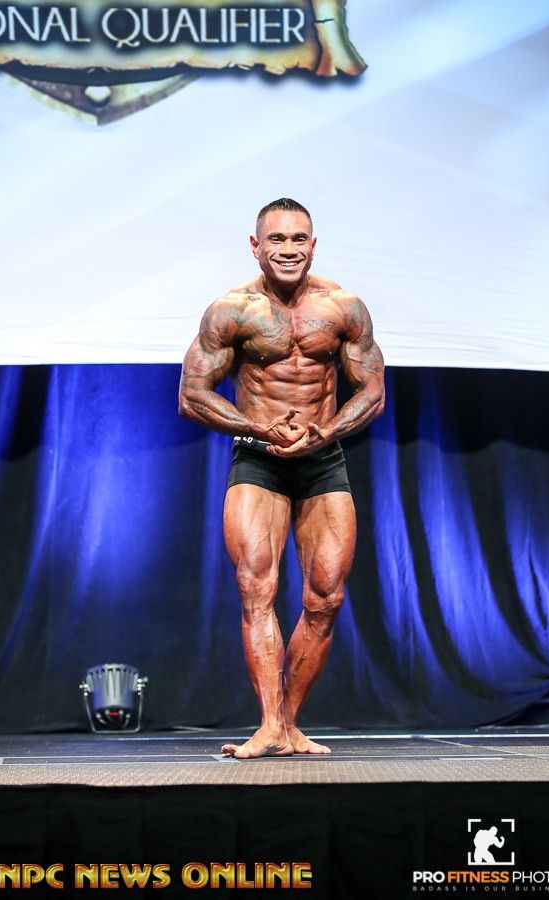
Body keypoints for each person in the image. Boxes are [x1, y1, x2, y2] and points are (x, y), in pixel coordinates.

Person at [179, 198, 385, 758]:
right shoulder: (231, 310)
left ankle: (289, 724)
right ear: (256, 245)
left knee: (327, 597)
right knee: (257, 590)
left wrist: (326, 431)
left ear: (313, 246)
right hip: (259, 459)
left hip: (323, 459)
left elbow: (372, 392)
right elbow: (191, 395)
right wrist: (257, 428)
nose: (288, 250)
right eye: (277, 239)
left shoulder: (344, 307)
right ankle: (268, 723)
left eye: (299, 240)